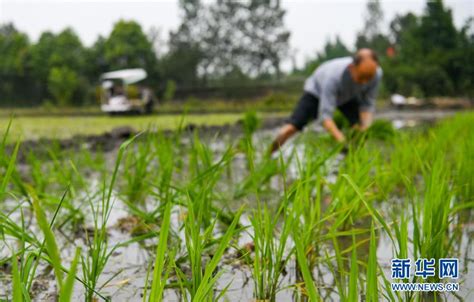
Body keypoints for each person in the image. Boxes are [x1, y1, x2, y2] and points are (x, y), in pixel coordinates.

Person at [270, 48, 382, 153]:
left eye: (369, 78)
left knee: (359, 127)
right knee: (292, 127)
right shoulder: (333, 77)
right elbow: (326, 117)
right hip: (316, 93)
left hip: (347, 97)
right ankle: (268, 154)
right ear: (352, 68)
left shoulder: (376, 74)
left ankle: (356, 156)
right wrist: (341, 141)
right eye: (361, 77)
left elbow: (367, 105)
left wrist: (364, 129)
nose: (364, 83)